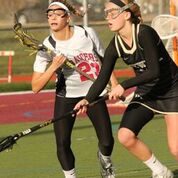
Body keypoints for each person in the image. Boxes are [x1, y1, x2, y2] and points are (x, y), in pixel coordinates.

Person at [74, 0, 178, 177]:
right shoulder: (115, 45)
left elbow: (154, 71)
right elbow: (102, 78)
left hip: (172, 90)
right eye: (106, 13)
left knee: (176, 148)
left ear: (127, 14)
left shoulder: (145, 33)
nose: (108, 17)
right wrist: (87, 99)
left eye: (112, 12)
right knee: (125, 136)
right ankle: (161, 172)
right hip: (147, 92)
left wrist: (123, 86)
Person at [31, 0, 118, 177]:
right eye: (49, 15)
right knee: (62, 143)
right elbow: (35, 87)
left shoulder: (87, 33)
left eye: (57, 13)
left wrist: (115, 84)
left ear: (68, 17)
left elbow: (104, 61)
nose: (52, 17)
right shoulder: (47, 47)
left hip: (93, 93)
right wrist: (53, 67)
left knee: (107, 141)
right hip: (67, 96)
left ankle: (105, 161)